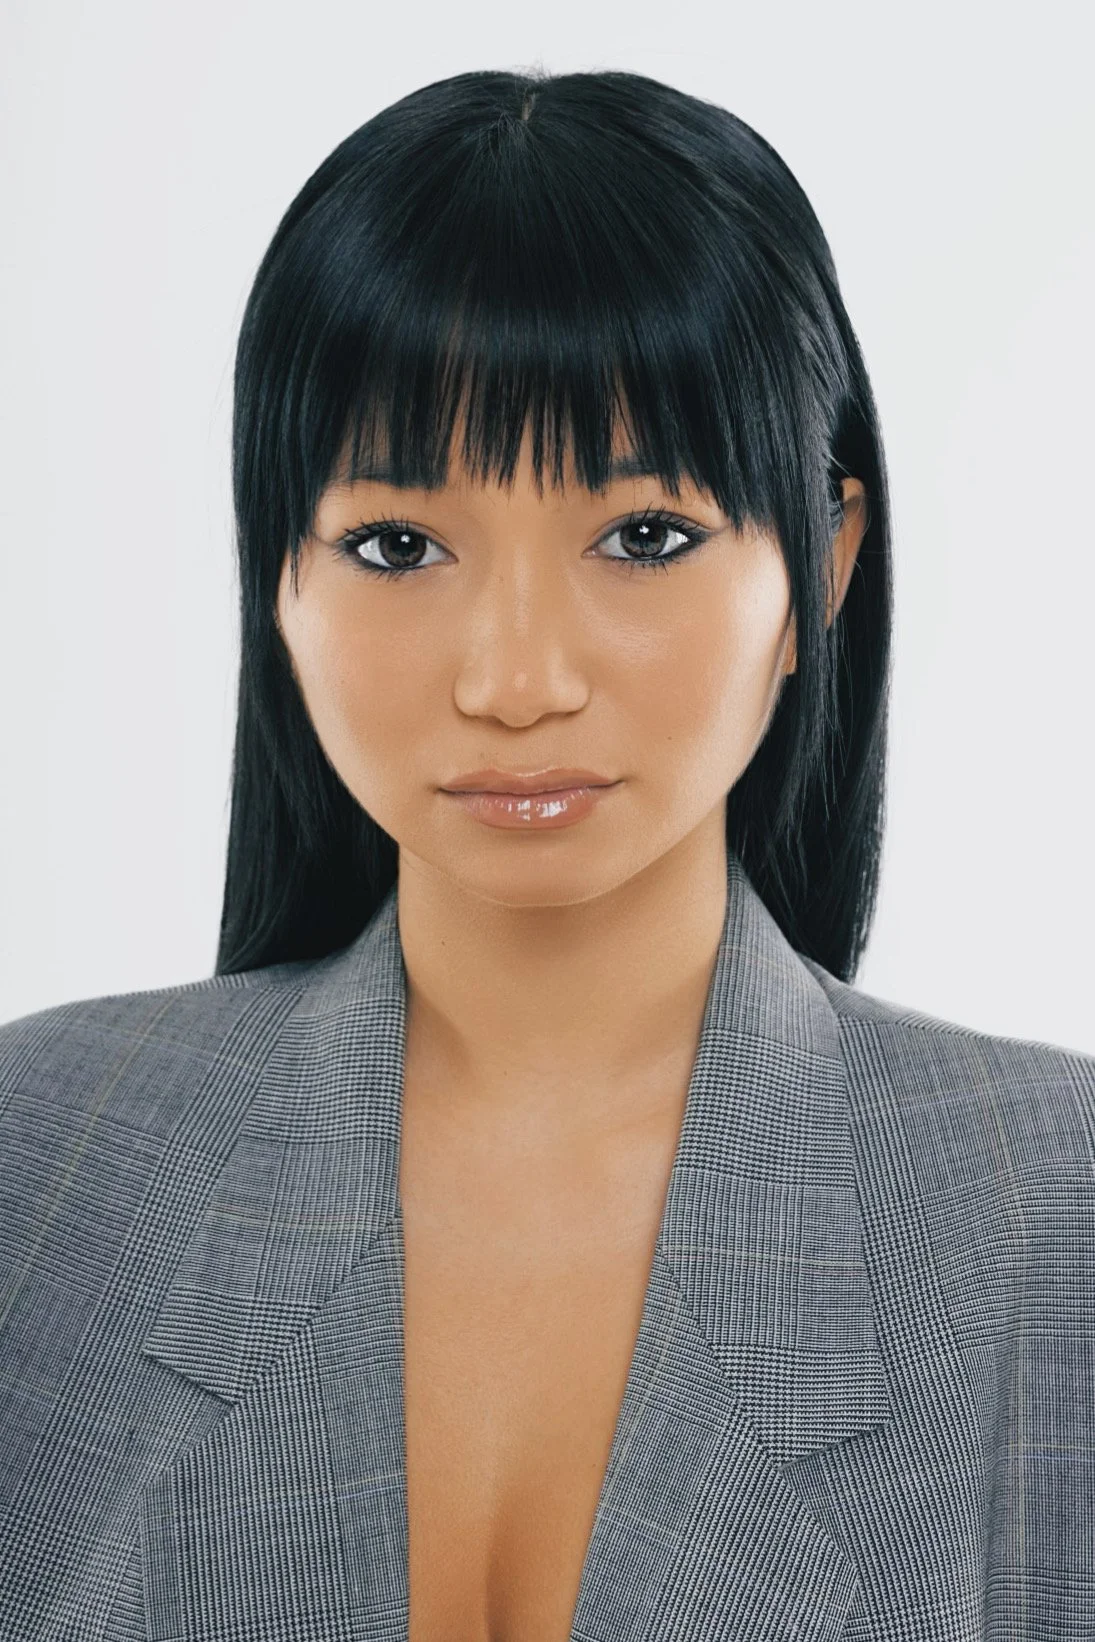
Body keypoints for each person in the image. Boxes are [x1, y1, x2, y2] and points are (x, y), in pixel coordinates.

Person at [1, 66, 1092, 1642]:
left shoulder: (1054, 1212)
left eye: (641, 535)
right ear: (277, 579)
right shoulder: (40, 1163)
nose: (515, 678)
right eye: (398, 543)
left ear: (822, 562)